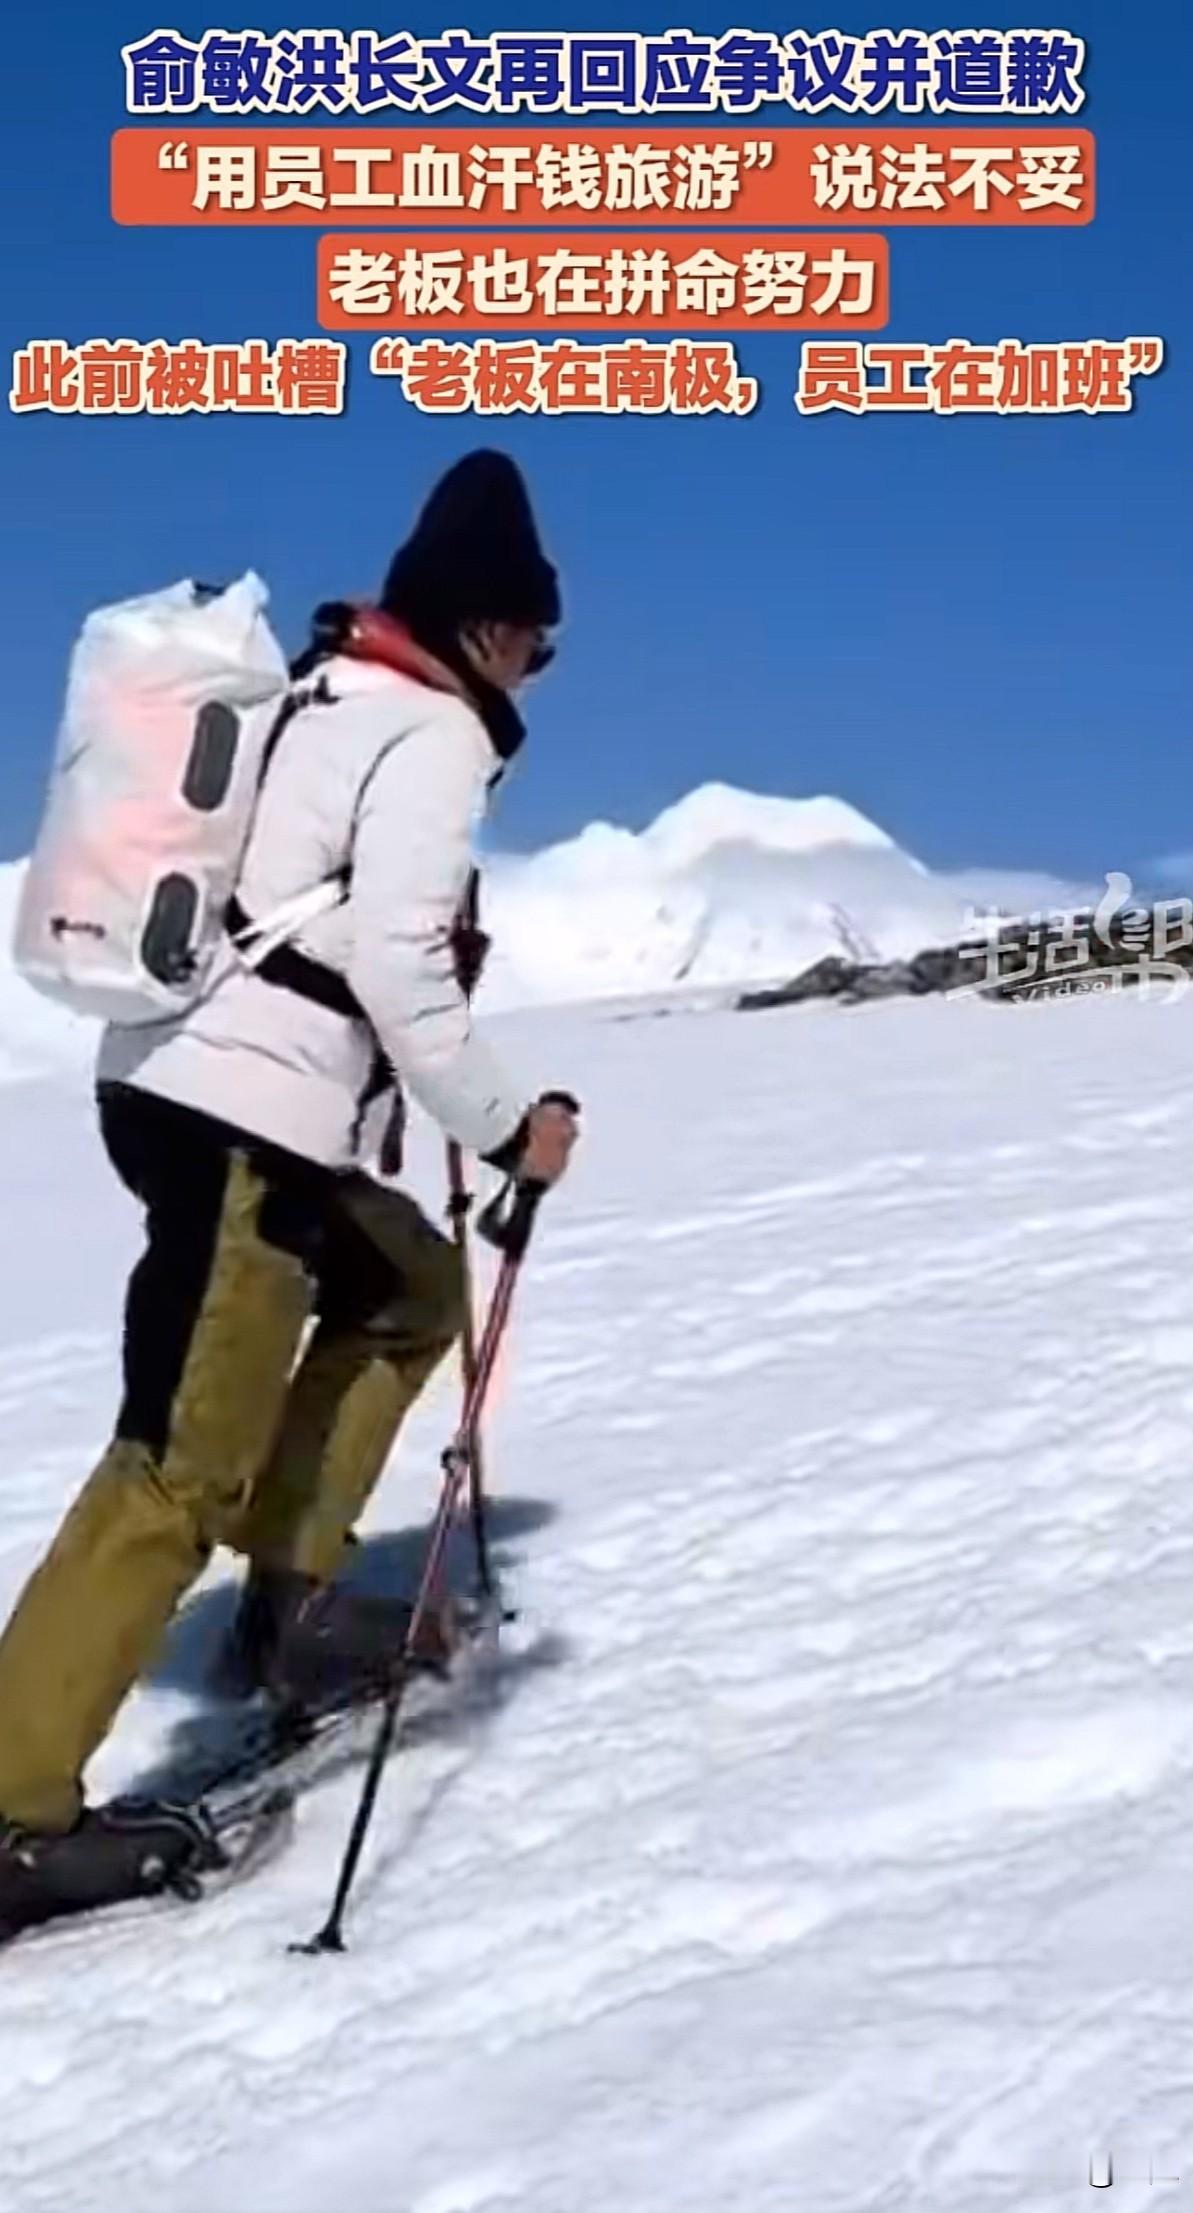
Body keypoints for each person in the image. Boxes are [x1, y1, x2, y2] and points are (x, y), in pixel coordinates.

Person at [0, 451, 579, 1931]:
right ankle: (10, 1811)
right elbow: (395, 960)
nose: (540, 666)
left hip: (202, 1092)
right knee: (178, 1459)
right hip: (239, 1121)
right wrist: (507, 1126)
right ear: (487, 625)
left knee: (410, 1287)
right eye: (538, 637)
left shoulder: (331, 692)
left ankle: (290, 1601)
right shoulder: (429, 730)